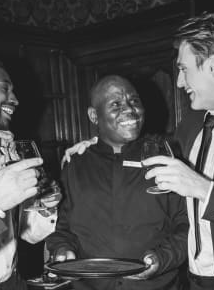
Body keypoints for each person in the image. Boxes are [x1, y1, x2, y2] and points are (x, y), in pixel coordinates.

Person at [62, 13, 214, 290]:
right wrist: (92, 146)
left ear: (213, 66)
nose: (180, 82)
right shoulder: (191, 126)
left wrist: (204, 190)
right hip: (191, 283)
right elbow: (135, 142)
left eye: (184, 69)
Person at [46, 75, 188, 290]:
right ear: (94, 115)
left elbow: (188, 226)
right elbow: (63, 228)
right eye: (116, 104)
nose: (130, 110)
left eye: (134, 101)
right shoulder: (75, 165)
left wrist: (161, 259)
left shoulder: (166, 160)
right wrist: (62, 250)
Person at [0, 53, 59, 289]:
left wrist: (44, 205)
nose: (16, 100)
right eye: (5, 88)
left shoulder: (6, 149)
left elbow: (26, 233)